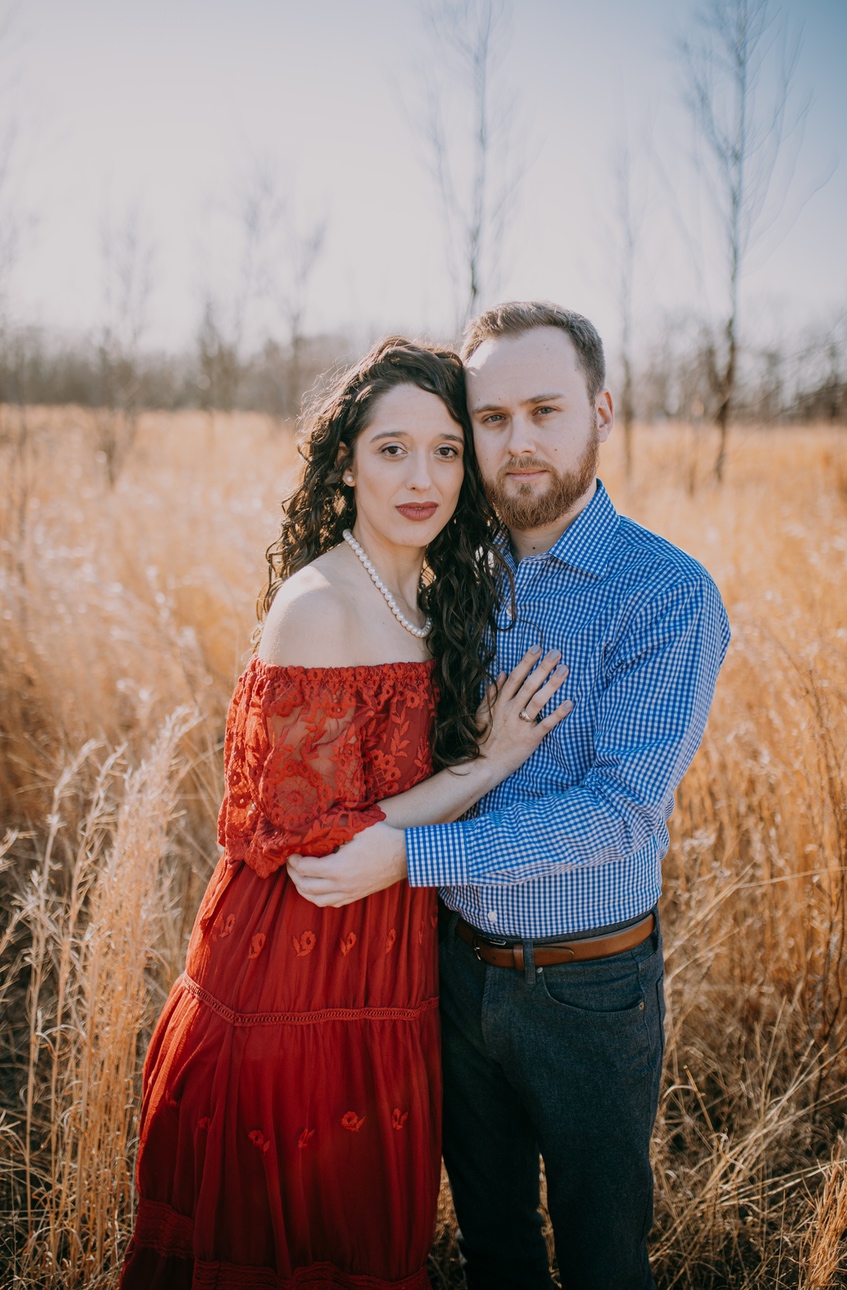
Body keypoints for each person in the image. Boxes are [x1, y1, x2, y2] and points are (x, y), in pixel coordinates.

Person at [289, 303, 731, 1290]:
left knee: (602, 1257)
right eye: (492, 419)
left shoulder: (664, 594)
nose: (517, 441)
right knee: (493, 1247)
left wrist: (411, 857)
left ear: (600, 412)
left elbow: (617, 815)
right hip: (448, 975)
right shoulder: (460, 573)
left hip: (585, 990)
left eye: (545, 409)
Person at [120, 335, 573, 1290]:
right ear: (346, 463)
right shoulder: (318, 606)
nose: (423, 477)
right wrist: (486, 765)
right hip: (295, 981)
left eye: (447, 450)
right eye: (392, 449)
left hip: (387, 973)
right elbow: (319, 845)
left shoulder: (436, 600)